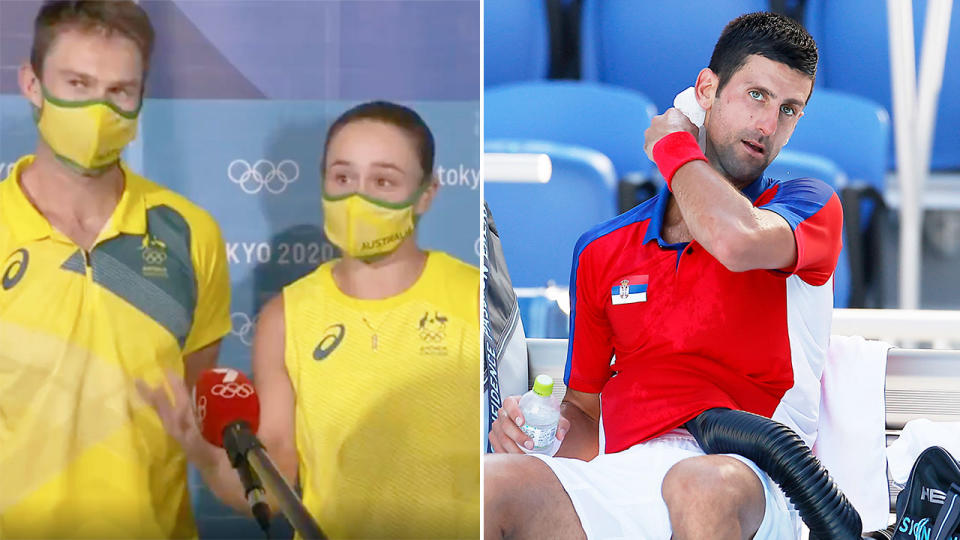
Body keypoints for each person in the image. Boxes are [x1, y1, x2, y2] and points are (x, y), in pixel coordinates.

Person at [485, 12, 842, 540]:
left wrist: (673, 145)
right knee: (490, 484)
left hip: (758, 477)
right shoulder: (602, 249)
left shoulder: (806, 205)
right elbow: (584, 417)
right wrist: (534, 432)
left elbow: (735, 240)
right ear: (706, 91)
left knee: (697, 485)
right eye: (757, 95)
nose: (769, 125)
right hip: (624, 473)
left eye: (790, 110)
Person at [140, 101, 482, 538]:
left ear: (427, 193)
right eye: (343, 177)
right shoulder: (285, 316)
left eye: (383, 180)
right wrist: (205, 454)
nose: (358, 197)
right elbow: (276, 469)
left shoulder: (475, 298)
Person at [0, 1, 230, 538]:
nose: (99, 110)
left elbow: (194, 418)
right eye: (77, 84)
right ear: (31, 84)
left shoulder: (192, 234)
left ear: (140, 98)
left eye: (119, 91)